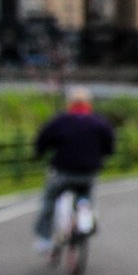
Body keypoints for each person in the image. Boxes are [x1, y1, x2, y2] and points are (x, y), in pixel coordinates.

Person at [33, 87, 115, 254]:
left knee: (49, 200)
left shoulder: (61, 122)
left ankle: (44, 238)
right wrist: (102, 157)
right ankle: (88, 214)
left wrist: (39, 153)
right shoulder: (99, 123)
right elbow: (110, 145)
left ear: (70, 103)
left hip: (63, 172)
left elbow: (42, 141)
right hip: (88, 173)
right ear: (88, 103)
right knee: (85, 195)